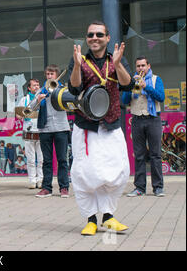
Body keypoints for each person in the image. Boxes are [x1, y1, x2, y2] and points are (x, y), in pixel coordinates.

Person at [68, 20, 134, 236]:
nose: (94, 38)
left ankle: (108, 216)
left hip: (111, 123)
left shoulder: (117, 58)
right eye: (90, 35)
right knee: (85, 174)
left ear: (107, 38)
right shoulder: (79, 58)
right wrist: (77, 65)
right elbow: (74, 86)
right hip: (86, 126)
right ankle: (90, 219)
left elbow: (127, 84)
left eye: (98, 34)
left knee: (118, 171)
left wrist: (118, 64)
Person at [122, 56, 165, 197]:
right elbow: (124, 101)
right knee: (139, 155)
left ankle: (158, 188)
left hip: (153, 119)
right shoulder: (131, 81)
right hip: (137, 120)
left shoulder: (156, 79)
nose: (140, 68)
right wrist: (130, 87)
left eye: (143, 65)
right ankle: (139, 188)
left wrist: (147, 87)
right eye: (138, 66)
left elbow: (161, 97)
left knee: (155, 155)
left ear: (148, 66)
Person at [35, 65, 71, 198]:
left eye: (52, 74)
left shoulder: (63, 89)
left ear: (57, 75)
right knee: (47, 160)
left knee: (62, 159)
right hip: (45, 128)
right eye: (48, 74)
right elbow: (32, 108)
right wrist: (38, 100)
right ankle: (46, 188)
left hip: (61, 127)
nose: (49, 76)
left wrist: (57, 93)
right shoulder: (41, 90)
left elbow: (69, 105)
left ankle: (64, 188)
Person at [17, 78, 44, 189]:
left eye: (38, 85)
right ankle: (32, 180)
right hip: (29, 131)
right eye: (34, 85)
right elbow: (18, 116)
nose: (36, 87)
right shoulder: (24, 100)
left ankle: (41, 179)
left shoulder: (43, 99)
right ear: (29, 88)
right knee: (31, 159)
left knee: (41, 159)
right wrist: (26, 113)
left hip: (41, 130)